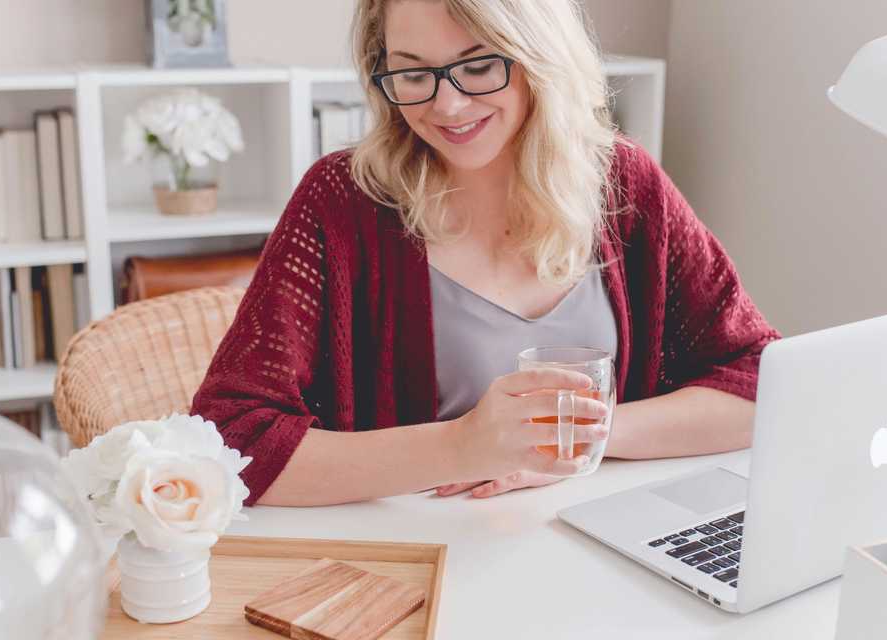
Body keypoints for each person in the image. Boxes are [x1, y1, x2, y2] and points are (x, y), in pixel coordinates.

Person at [191, 0, 779, 507]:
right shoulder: (340, 202)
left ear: (540, 57)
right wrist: (461, 446)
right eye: (413, 74)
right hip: (408, 569)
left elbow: (764, 382)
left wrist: (571, 437)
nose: (446, 106)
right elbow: (230, 436)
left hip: (592, 548)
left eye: (478, 66)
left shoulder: (625, 185)